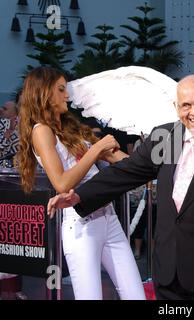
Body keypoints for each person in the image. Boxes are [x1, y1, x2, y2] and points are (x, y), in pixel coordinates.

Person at [47, 75, 194, 300]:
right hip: (169, 274)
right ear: (176, 108)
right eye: (186, 105)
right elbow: (125, 171)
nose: (193, 112)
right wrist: (79, 196)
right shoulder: (164, 137)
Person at [17, 66, 146, 300]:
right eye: (61, 89)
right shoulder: (41, 131)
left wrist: (148, 159)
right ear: (44, 93)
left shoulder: (70, 127)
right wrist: (96, 148)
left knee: (136, 295)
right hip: (81, 224)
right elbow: (61, 184)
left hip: (109, 218)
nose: (67, 95)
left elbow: (119, 159)